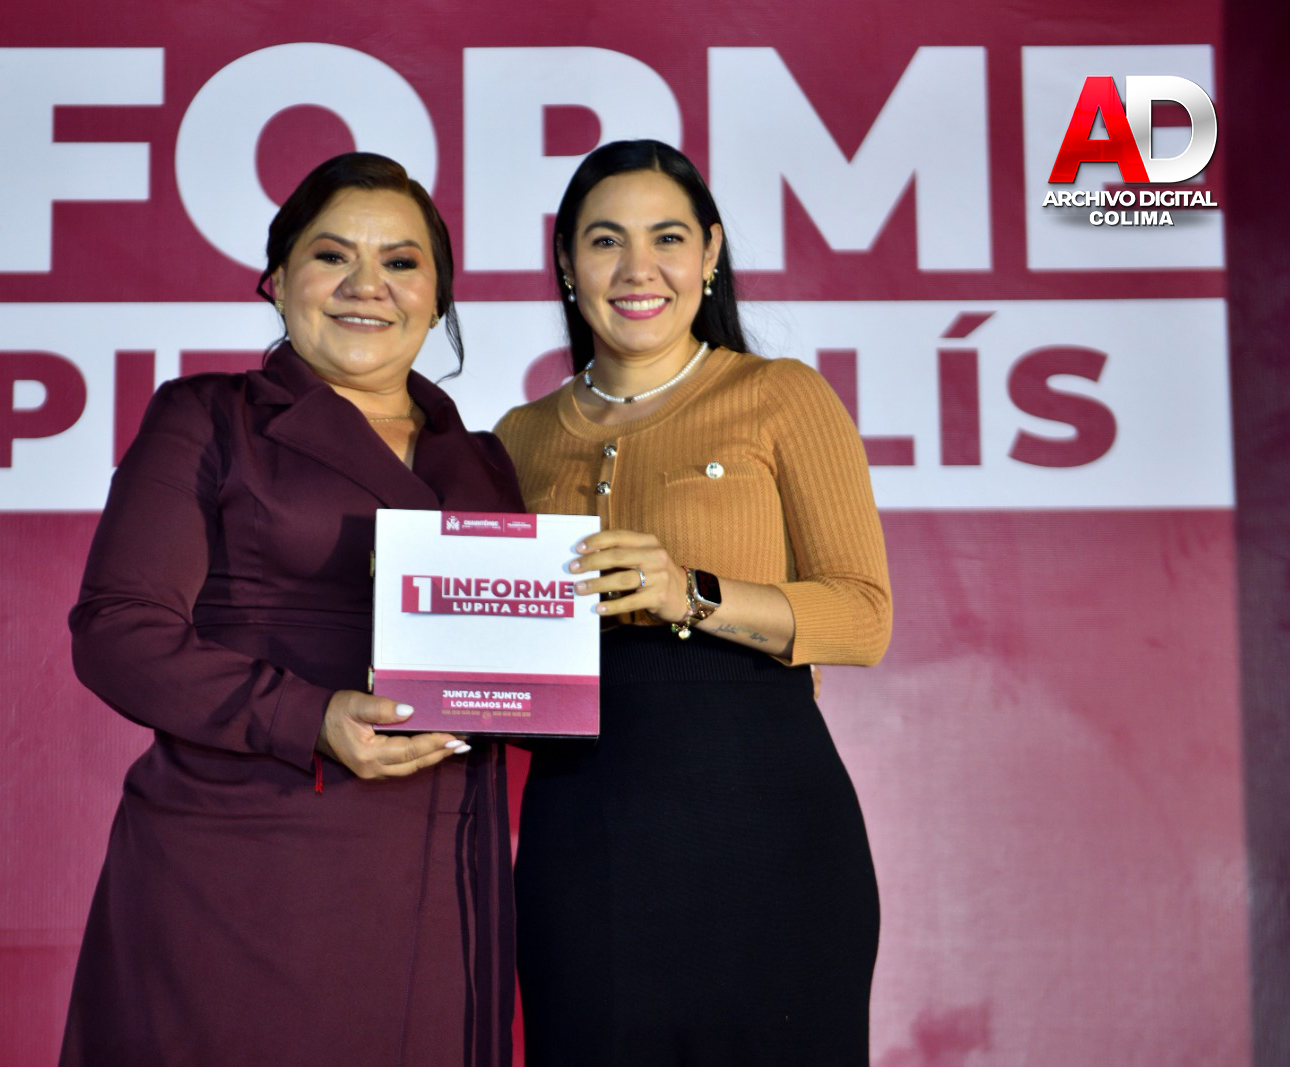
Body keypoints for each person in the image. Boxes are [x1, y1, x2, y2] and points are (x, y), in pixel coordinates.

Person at [59, 153, 521, 1067]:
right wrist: (307, 717)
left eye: (401, 262)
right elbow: (117, 631)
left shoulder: (486, 460)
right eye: (331, 256)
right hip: (246, 863)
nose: (366, 285)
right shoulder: (207, 415)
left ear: (438, 297)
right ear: (277, 280)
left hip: (442, 877)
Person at [494, 139, 892, 1065]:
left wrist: (689, 592)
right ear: (566, 263)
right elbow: (498, 659)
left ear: (709, 253)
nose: (639, 268)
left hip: (764, 820)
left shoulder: (780, 396)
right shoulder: (518, 437)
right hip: (579, 831)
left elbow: (863, 616)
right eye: (606, 241)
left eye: (667, 238)